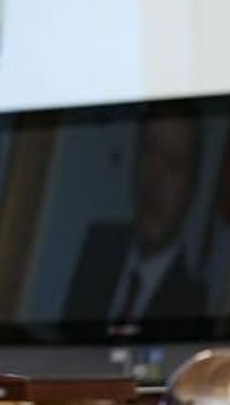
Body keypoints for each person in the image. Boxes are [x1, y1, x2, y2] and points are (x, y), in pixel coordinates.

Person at [62, 112, 208, 321]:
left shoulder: (195, 304)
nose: (154, 181)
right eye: (148, 153)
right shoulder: (98, 245)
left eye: (173, 164)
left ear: (192, 187)